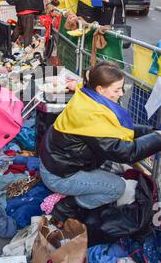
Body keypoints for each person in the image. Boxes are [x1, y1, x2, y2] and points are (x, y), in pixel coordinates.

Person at [39, 61, 161, 212]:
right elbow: (126, 152)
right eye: (117, 90)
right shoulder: (91, 115)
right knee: (117, 187)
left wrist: (152, 131)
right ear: (100, 89)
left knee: (117, 168)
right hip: (58, 176)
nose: (121, 93)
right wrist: (158, 137)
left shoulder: (87, 96)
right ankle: (68, 206)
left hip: (57, 164)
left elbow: (118, 129)